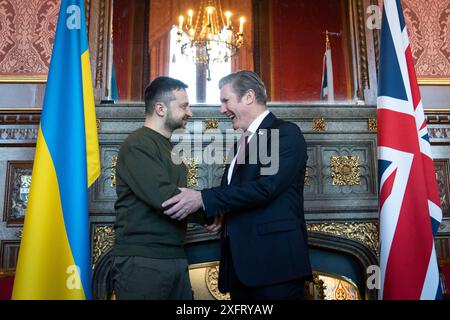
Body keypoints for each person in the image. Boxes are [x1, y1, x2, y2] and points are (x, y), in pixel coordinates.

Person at [162, 70, 312, 300]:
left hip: (275, 268)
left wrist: (202, 198)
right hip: (241, 269)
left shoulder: (285, 133)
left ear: (249, 97)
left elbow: (266, 188)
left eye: (225, 100)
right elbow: (239, 192)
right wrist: (222, 217)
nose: (222, 109)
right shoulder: (244, 142)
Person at [110, 76, 220, 300]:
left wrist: (207, 210)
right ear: (160, 108)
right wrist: (211, 217)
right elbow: (167, 198)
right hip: (143, 262)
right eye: (183, 106)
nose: (189, 112)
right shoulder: (137, 144)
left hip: (174, 257)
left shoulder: (171, 149)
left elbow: (182, 199)